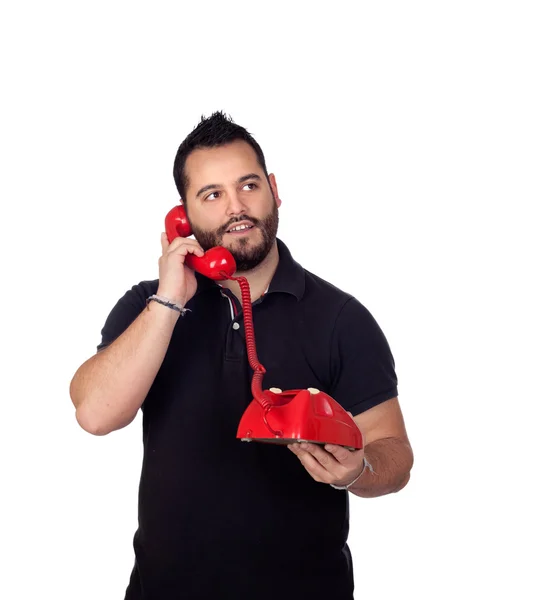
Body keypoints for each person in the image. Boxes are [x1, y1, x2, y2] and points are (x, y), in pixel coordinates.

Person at [69, 111, 414, 600]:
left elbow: (394, 454)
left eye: (248, 186)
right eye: (212, 195)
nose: (236, 207)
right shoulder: (147, 307)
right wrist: (169, 300)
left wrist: (358, 470)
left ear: (273, 189)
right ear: (183, 217)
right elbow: (95, 414)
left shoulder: (343, 318)